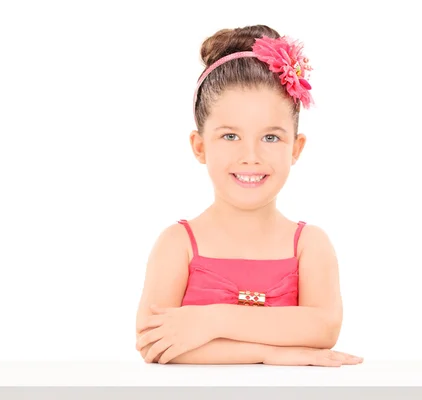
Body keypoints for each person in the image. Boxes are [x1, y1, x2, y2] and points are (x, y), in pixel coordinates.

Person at [135, 24, 363, 367]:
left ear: (296, 148)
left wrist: (213, 321)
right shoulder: (177, 244)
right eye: (230, 136)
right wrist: (270, 352)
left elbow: (323, 327)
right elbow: (154, 344)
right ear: (200, 146)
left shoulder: (309, 245)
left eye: (271, 138)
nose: (251, 156)